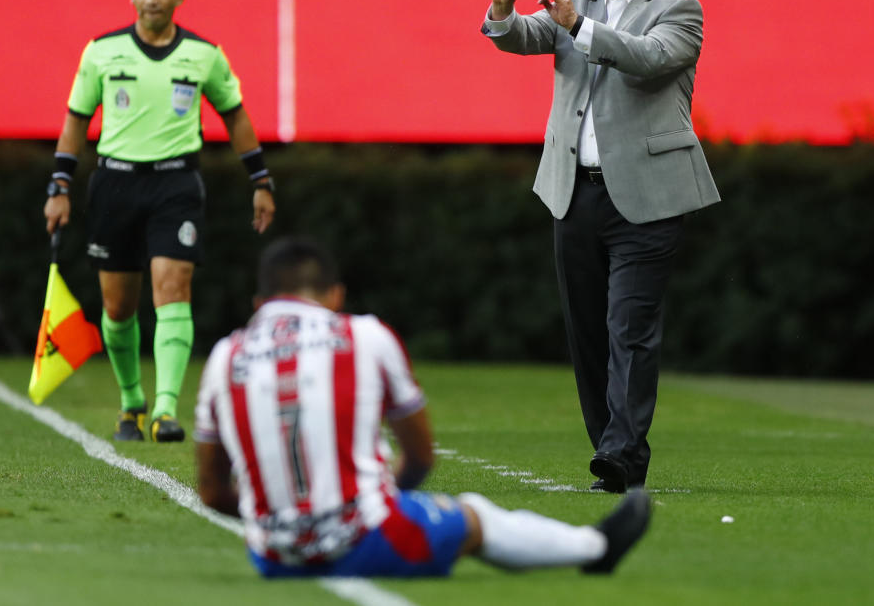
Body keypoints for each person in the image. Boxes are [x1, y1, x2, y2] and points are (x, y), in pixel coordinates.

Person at [194, 236, 652, 578]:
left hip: (273, 555)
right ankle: (595, 546)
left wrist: (285, 521)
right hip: (364, 536)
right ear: (336, 295)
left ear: (259, 303)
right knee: (475, 516)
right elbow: (420, 457)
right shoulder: (365, 336)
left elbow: (212, 492)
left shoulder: (224, 357)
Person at [480, 0, 720, 492]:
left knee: (629, 329)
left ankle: (621, 454)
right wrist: (502, 9)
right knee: (587, 332)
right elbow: (520, 38)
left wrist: (578, 28)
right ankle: (610, 448)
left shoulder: (679, 9)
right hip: (573, 195)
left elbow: (648, 59)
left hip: (647, 197)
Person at [44, 0, 275, 444]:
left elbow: (234, 115)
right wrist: (59, 188)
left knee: (173, 291)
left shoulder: (204, 54)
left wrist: (260, 181)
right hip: (114, 184)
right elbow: (76, 122)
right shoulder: (100, 52)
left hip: (175, 185)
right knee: (117, 307)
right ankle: (132, 401)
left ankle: (166, 409)